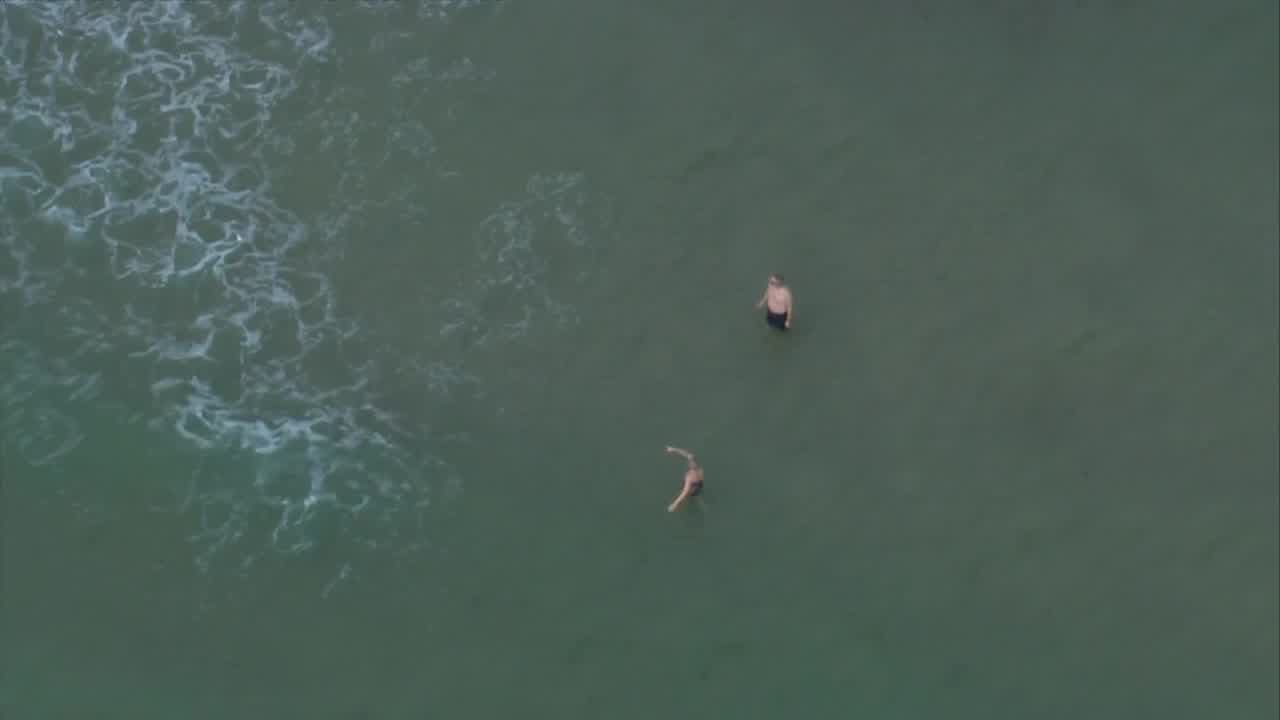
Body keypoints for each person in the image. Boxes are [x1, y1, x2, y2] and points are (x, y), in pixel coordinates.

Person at [664, 445, 704, 512]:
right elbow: (687, 455)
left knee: (689, 496)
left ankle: (698, 501)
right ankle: (698, 499)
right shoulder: (698, 469)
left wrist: (674, 504)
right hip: (699, 484)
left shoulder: (689, 477)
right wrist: (673, 449)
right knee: (696, 494)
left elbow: (684, 493)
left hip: (693, 487)